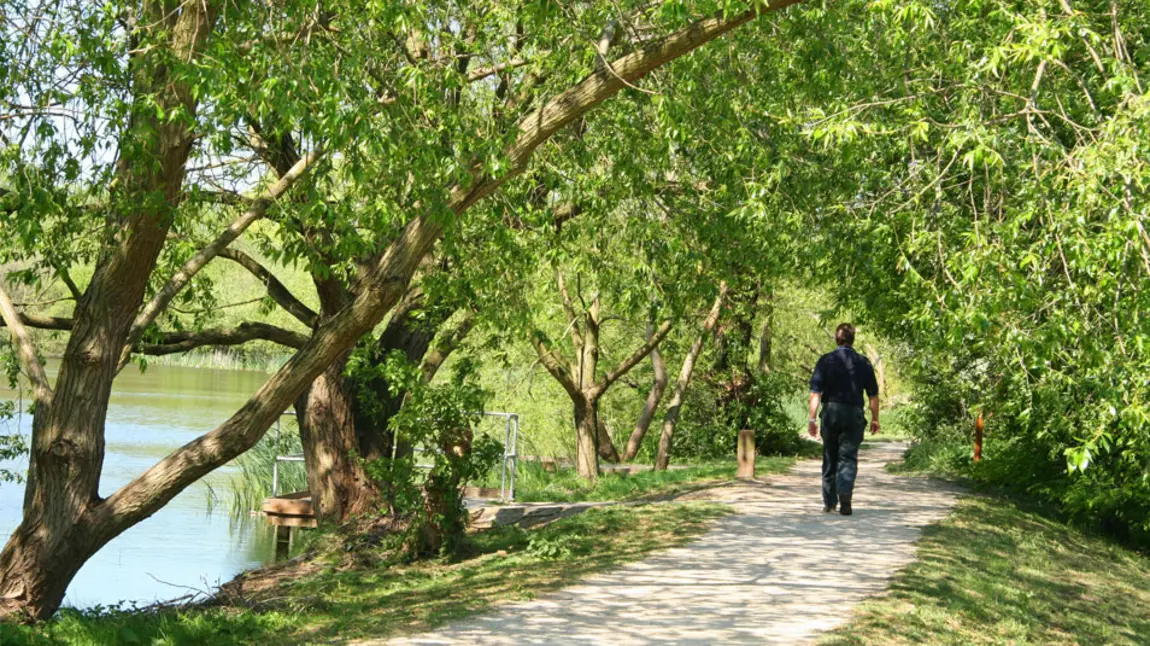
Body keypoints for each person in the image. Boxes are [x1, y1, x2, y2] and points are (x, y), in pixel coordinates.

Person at [807, 323, 879, 516]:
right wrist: (875, 418)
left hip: (831, 412)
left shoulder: (825, 361)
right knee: (848, 457)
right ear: (852, 339)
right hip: (853, 413)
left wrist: (812, 419)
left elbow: (816, 394)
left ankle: (830, 502)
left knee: (830, 456)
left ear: (836, 339)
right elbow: (873, 396)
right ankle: (845, 494)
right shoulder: (863, 362)